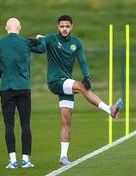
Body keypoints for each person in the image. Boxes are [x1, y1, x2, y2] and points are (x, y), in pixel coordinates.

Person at [30, 15, 123, 165]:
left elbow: (83, 61)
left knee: (67, 122)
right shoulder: (50, 39)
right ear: (58, 27)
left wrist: (87, 76)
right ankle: (110, 109)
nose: (64, 29)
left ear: (71, 27)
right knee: (80, 86)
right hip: (55, 81)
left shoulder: (77, 43)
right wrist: (34, 41)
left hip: (65, 84)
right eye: (61, 26)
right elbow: (40, 49)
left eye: (67, 26)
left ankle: (63, 157)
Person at [0, 18, 45, 169]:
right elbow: (42, 49)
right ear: (20, 28)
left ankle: (13, 161)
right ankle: (26, 160)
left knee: (9, 125)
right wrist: (40, 39)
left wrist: (6, 76)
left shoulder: (0, 43)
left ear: (6, 28)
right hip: (23, 88)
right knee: (25, 124)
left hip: (7, 88)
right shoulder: (25, 42)